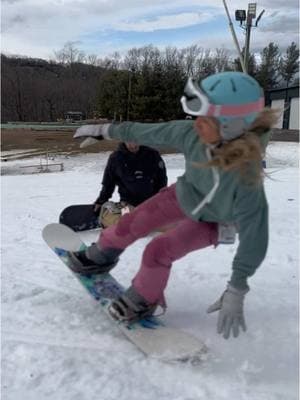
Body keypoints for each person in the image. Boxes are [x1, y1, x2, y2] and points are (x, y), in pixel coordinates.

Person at [68, 71, 278, 340]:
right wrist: (103, 130)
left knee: (158, 250)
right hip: (184, 194)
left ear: (232, 125)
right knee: (132, 222)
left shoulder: (247, 181)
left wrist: (237, 288)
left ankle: (143, 299)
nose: (197, 124)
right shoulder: (192, 134)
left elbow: (255, 240)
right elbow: (144, 131)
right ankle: (101, 255)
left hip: (215, 221)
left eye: (207, 118)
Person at [93, 141, 167, 227]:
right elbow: (108, 183)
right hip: (127, 204)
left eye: (135, 141)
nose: (133, 145)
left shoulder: (153, 155)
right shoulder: (115, 158)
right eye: (129, 142)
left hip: (151, 203)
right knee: (126, 225)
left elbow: (161, 180)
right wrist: (101, 201)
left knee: (168, 223)